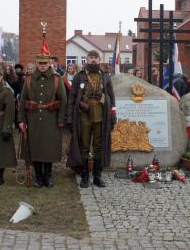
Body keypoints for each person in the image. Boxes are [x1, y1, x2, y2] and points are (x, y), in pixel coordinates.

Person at [66, 50, 116, 188]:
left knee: (99, 146)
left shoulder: (105, 77)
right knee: (84, 145)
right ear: (86, 60)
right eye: (91, 57)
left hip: (101, 116)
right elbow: (71, 99)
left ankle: (97, 176)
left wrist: (113, 117)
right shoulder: (79, 77)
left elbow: (111, 98)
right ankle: (85, 176)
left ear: (99, 60)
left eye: (95, 58)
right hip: (84, 116)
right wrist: (69, 119)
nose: (93, 60)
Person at [18, 54, 67, 188]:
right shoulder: (29, 79)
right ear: (37, 63)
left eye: (45, 63)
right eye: (40, 63)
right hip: (32, 119)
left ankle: (48, 176)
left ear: (49, 63)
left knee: (48, 149)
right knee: (35, 148)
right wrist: (21, 119)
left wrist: (61, 119)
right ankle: (38, 177)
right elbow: (22, 101)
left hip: (51, 119)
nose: (43, 66)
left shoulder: (57, 79)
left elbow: (63, 100)